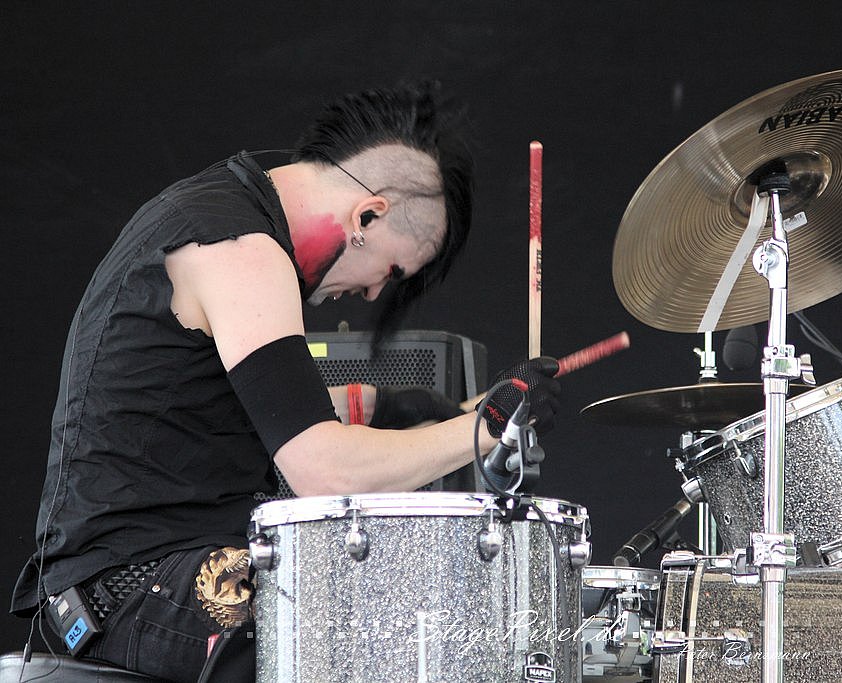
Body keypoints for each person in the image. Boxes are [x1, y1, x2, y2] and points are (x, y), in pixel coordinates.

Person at [10, 82, 560, 682]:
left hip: (141, 578)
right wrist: (485, 428)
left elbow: (250, 412)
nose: (375, 291)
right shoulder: (237, 247)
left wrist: (412, 407)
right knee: (390, 635)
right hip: (132, 587)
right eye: (392, 270)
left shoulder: (223, 210)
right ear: (367, 215)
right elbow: (324, 471)